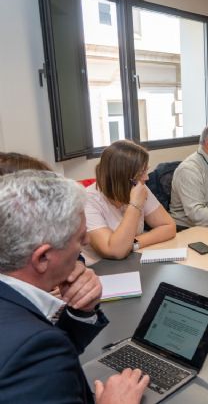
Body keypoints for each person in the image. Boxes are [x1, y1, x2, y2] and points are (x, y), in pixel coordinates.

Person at [0, 170, 149, 403]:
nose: (87, 242)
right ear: (42, 258)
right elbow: (39, 352)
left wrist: (81, 312)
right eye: (79, 238)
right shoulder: (33, 349)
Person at [84, 140, 176, 263]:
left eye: (146, 170)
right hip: (99, 270)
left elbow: (168, 226)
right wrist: (135, 205)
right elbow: (115, 251)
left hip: (131, 261)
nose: (146, 178)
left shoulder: (137, 186)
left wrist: (132, 243)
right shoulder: (87, 201)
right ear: (122, 177)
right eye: (141, 173)